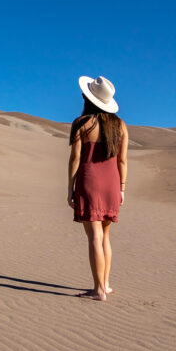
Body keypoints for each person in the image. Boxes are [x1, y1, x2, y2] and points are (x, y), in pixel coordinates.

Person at [68, 75, 128, 301]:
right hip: (112, 184)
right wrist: (121, 188)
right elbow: (122, 161)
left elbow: (75, 158)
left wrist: (69, 188)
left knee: (94, 237)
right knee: (105, 236)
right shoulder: (120, 125)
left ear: (88, 99)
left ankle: (98, 290)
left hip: (89, 181)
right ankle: (107, 284)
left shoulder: (81, 123)